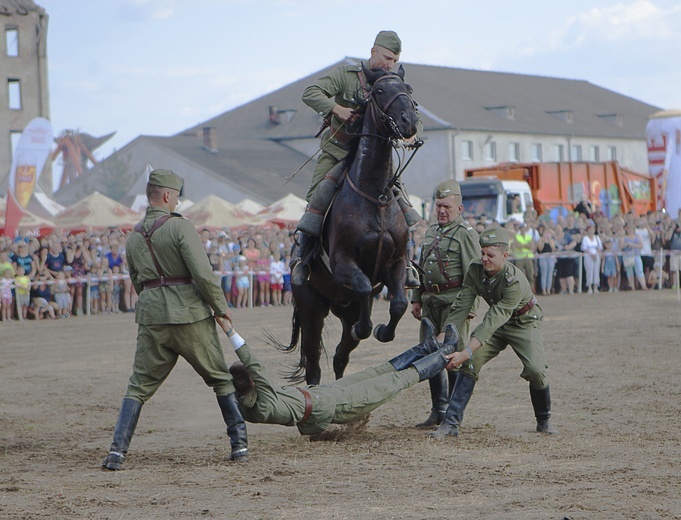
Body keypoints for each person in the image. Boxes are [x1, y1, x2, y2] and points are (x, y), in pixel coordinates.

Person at [101, 169, 248, 471]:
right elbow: (202, 274)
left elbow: (137, 281)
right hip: (189, 315)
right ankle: (239, 445)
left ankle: (117, 453)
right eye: (177, 196)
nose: (178, 201)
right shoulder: (181, 228)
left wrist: (156, 298)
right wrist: (220, 307)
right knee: (220, 378)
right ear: (167, 195)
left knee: (138, 387)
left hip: (152, 318)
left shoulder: (134, 236)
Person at [290, 30, 422, 287]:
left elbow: (412, 113)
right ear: (373, 51)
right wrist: (336, 109)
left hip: (376, 159)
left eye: (394, 60)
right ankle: (303, 260)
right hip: (339, 151)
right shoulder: (346, 76)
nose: (389, 64)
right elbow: (310, 92)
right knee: (318, 196)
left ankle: (407, 265)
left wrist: (412, 135)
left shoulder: (393, 83)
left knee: (401, 203)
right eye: (386, 57)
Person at [216, 314, 459, 436]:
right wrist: (230, 330)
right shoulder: (263, 403)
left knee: (380, 370)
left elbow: (229, 382)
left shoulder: (244, 403)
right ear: (250, 384)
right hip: (331, 406)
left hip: (320, 395)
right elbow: (254, 364)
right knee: (396, 380)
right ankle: (447, 351)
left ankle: (426, 347)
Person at [429, 227, 558, 439]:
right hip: (499, 324)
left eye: (490, 255)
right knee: (471, 365)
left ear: (505, 256)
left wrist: (466, 351)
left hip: (523, 322)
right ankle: (450, 423)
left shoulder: (514, 280)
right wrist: (446, 334)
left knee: (535, 369)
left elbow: (493, 319)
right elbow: (462, 305)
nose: (484, 259)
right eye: (482, 253)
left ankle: (544, 419)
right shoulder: (475, 270)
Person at [410, 180, 480, 427]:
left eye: (446, 207)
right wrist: (417, 299)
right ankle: (437, 410)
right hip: (430, 302)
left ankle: (452, 414)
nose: (441, 211)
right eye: (438, 206)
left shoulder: (466, 235)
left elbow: (474, 277)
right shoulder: (431, 231)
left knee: (452, 358)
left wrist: (469, 310)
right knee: (430, 355)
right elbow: (421, 268)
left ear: (459, 209)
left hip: (454, 304)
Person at [580, 222, 603, 294]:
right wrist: (591, 254)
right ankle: (589, 286)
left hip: (596, 256)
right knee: (589, 271)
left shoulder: (597, 237)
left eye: (592, 229)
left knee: (596, 271)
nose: (591, 230)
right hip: (588, 256)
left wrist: (596, 254)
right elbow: (584, 248)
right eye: (589, 229)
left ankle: (596, 286)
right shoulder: (585, 238)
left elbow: (600, 247)